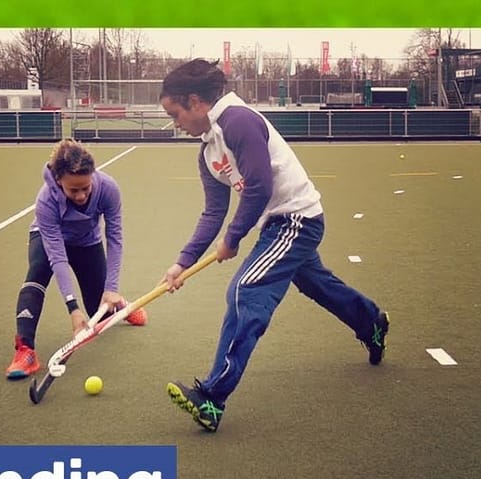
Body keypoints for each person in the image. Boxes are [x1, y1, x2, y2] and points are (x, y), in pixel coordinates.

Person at [158, 59, 389, 432]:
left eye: (175, 114)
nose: (176, 124)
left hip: (297, 219)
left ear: (195, 101)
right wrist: (182, 263)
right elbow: (213, 212)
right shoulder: (207, 151)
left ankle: (213, 398)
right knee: (317, 284)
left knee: (246, 291)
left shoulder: (238, 121)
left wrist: (233, 238)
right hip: (273, 225)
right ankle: (371, 320)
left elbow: (260, 186)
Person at [5, 139, 147, 380]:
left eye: (85, 188)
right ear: (59, 180)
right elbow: (58, 257)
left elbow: (115, 238)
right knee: (37, 271)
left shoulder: (108, 189)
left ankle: (119, 304)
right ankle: (25, 352)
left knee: (98, 311)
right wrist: (72, 308)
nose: (81, 195)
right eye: (73, 190)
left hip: (87, 241)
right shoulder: (46, 201)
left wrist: (111, 289)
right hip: (49, 237)